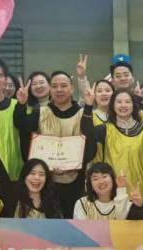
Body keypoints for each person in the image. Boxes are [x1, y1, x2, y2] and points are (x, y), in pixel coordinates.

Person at [24, 69, 95, 217]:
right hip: (45, 182)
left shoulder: (83, 114)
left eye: (63, 85)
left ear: (72, 88)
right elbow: (26, 143)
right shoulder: (40, 113)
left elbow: (90, 150)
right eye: (54, 86)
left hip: (75, 181)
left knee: (72, 223)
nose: (59, 89)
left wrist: (70, 166)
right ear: (50, 89)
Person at [89, 89, 143, 192]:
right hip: (110, 192)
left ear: (133, 105)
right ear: (112, 105)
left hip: (138, 192)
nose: (123, 105)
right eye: (119, 102)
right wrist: (88, 106)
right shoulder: (103, 130)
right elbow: (88, 146)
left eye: (127, 102)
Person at [73, 162, 143, 220]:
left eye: (104, 176)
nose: (101, 181)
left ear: (113, 179)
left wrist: (138, 207)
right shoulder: (82, 204)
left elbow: (122, 222)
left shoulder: (123, 201)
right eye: (95, 179)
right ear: (90, 184)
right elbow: (79, 230)